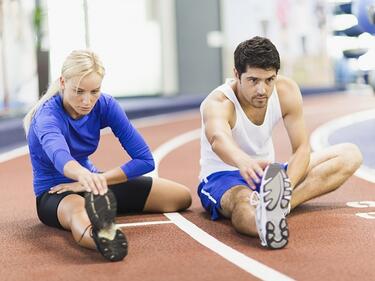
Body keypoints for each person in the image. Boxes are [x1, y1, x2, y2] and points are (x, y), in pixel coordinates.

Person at [23, 50, 192, 261]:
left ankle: (99, 207)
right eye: (79, 91)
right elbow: (60, 156)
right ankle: (101, 238)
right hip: (56, 193)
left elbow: (145, 159)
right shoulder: (47, 116)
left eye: (95, 91)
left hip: (93, 185)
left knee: (180, 197)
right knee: (78, 211)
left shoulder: (105, 105)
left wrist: (98, 180)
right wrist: (82, 177)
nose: (87, 100)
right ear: (63, 82)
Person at [197, 36, 363, 249]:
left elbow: (301, 148)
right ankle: (263, 225)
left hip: (269, 178)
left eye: (269, 80)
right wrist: (243, 161)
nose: (262, 90)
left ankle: (277, 208)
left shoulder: (286, 91)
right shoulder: (219, 102)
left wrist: (286, 187)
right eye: (253, 80)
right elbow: (217, 139)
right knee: (243, 202)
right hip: (223, 176)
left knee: (349, 154)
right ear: (236, 74)